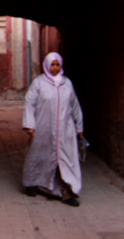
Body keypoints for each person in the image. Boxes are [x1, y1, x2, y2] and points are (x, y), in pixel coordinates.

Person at [22, 52, 84, 206]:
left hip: (65, 130)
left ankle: (67, 192)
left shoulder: (67, 83)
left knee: (65, 160)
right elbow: (29, 103)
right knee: (38, 156)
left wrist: (79, 126)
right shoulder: (39, 83)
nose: (55, 68)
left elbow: (75, 106)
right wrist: (30, 125)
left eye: (57, 65)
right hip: (43, 128)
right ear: (46, 65)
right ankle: (31, 183)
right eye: (52, 64)